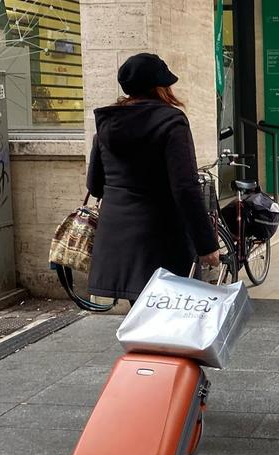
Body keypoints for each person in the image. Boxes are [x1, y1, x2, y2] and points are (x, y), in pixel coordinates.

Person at [86, 53, 220, 305]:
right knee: (169, 322)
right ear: (161, 87)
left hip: (117, 240)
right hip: (162, 239)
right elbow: (185, 188)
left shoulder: (107, 124)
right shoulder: (171, 122)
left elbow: (95, 185)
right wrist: (207, 246)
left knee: (139, 323)